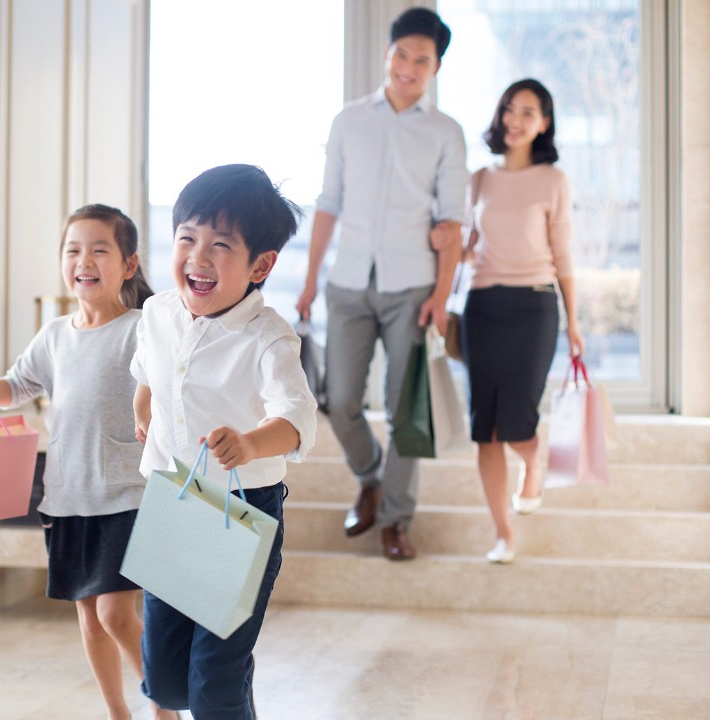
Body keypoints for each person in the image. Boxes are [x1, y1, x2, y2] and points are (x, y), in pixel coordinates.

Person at [0, 204, 176, 720]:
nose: (84, 260)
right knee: (89, 615)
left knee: (114, 612)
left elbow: (170, 388)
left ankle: (162, 700)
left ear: (128, 265)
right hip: (66, 495)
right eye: (73, 250)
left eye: (99, 250)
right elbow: (20, 383)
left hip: (127, 493)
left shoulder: (140, 328)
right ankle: (117, 711)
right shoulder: (55, 334)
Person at [132, 164, 317, 719]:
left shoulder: (269, 336)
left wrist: (252, 443)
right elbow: (147, 372)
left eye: (220, 245)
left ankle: (230, 679)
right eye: (187, 237)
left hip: (240, 511)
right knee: (166, 682)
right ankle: (233, 677)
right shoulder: (158, 312)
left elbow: (298, 417)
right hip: (174, 500)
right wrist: (144, 412)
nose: (198, 257)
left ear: (260, 265)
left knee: (214, 680)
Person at [295, 6, 468, 561]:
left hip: (412, 289)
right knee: (339, 399)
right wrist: (308, 281)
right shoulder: (348, 121)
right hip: (347, 284)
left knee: (404, 409)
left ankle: (396, 519)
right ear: (387, 55)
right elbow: (328, 205)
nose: (409, 66)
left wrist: (442, 296)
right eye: (402, 54)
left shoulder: (447, 133)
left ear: (435, 67)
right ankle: (370, 477)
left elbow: (451, 223)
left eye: (422, 59)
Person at [453, 78, 584, 564]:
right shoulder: (479, 179)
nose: (516, 119)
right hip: (482, 307)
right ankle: (503, 533)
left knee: (517, 422)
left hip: (534, 306)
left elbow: (563, 253)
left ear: (544, 123)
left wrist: (574, 322)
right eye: (510, 109)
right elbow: (467, 248)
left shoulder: (554, 180)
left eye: (528, 112)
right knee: (484, 427)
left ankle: (535, 461)